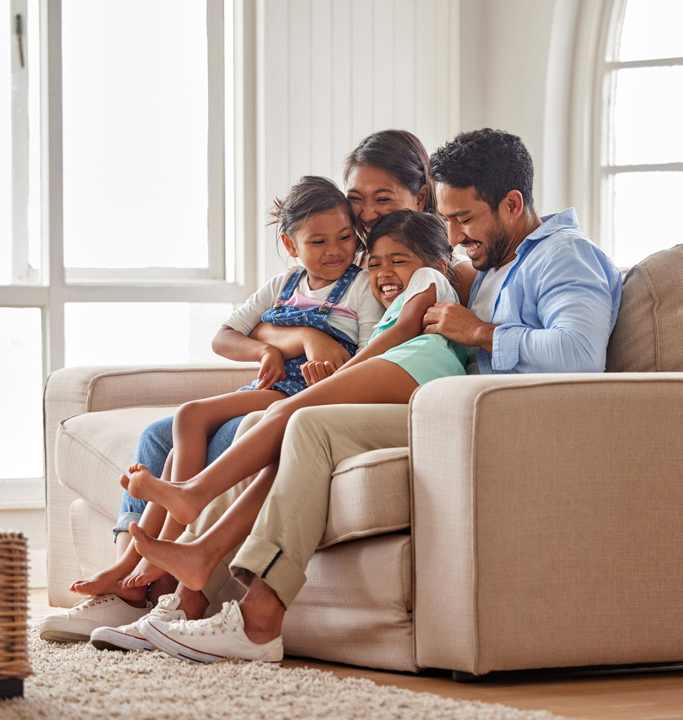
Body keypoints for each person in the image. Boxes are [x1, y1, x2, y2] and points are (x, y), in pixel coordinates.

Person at [106, 128, 623, 665]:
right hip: (447, 408)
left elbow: (580, 354)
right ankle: (197, 583)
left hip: (497, 422)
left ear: (513, 204)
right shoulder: (490, 262)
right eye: (445, 220)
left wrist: (478, 332)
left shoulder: (563, 257)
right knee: (291, 423)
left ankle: (249, 617)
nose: (453, 234)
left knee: (305, 421)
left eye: (463, 220)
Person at [38, 128, 473, 642]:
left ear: (420, 198)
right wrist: (296, 338)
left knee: (256, 428)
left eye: (383, 200)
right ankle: (129, 584)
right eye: (358, 200)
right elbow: (255, 325)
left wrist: (323, 351)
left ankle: (158, 578)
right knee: (166, 432)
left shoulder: (403, 266)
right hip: (307, 380)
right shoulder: (349, 258)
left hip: (337, 390)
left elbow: (394, 332)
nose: (365, 217)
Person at [66, 176, 384, 595]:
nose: (335, 250)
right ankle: (130, 562)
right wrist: (264, 352)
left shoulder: (360, 286)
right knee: (173, 429)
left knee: (189, 418)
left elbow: (366, 356)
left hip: (294, 396)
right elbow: (224, 336)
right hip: (264, 387)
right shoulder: (284, 284)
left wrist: (329, 374)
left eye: (344, 237)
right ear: (291, 245)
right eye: (318, 242)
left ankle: (166, 548)